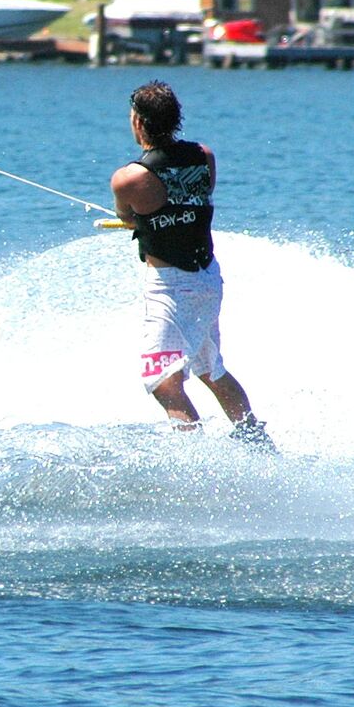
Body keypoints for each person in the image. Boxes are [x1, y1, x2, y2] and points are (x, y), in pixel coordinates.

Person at [110, 80, 271, 446]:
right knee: (210, 369)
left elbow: (129, 216)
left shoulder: (128, 178)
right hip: (207, 279)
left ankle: (196, 462)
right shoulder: (204, 155)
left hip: (169, 287)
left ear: (138, 122)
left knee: (163, 383)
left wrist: (146, 218)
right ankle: (256, 442)